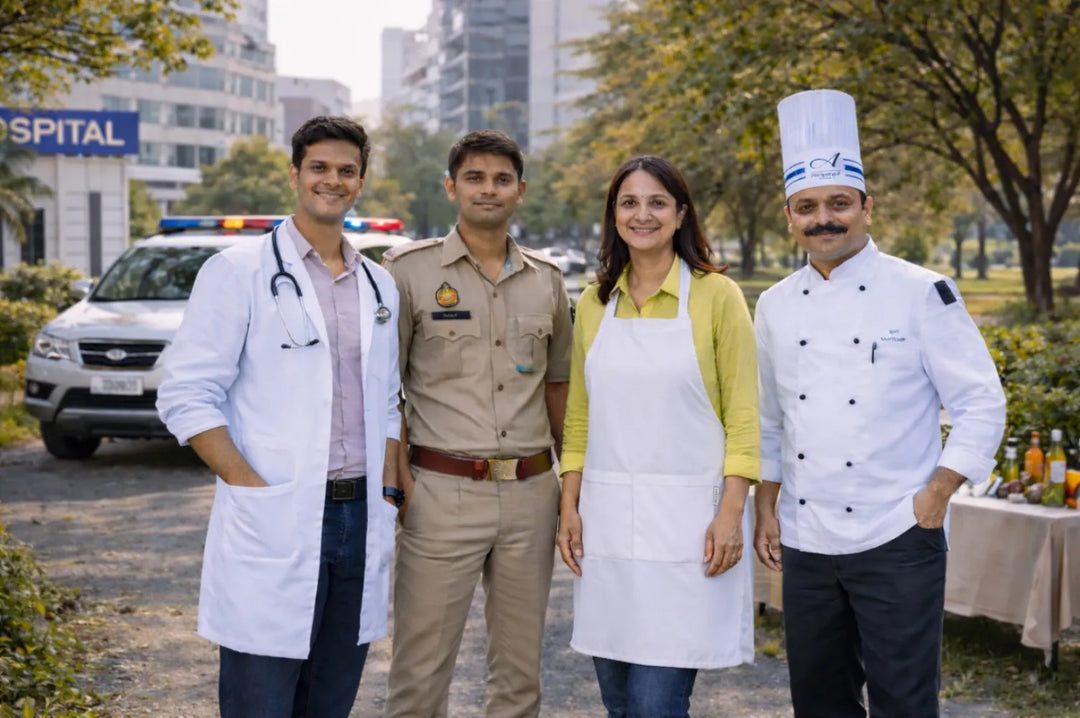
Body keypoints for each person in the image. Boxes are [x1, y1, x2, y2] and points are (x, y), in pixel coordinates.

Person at [753, 89, 1007, 717]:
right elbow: (770, 419)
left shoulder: (923, 293)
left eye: (839, 204)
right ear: (790, 218)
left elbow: (981, 402)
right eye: (807, 208)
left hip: (898, 531)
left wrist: (936, 496)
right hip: (808, 538)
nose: (824, 219)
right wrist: (766, 510)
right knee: (820, 702)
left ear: (867, 207)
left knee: (904, 703)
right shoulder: (775, 305)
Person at [156, 116, 402, 718]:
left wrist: (392, 489)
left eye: (347, 170)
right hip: (278, 510)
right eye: (319, 167)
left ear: (361, 181)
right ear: (295, 174)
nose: (332, 180)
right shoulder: (237, 272)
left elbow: (391, 398)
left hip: (360, 513)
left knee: (331, 697)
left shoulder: (379, 286)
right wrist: (246, 485)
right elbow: (185, 394)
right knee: (260, 699)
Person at [556, 155, 761, 718]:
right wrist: (568, 505)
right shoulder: (596, 303)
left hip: (688, 530)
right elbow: (580, 417)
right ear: (613, 215)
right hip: (608, 527)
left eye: (656, 202)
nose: (641, 214)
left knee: (655, 706)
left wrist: (731, 514)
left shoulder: (719, 298)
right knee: (619, 704)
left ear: (680, 215)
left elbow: (744, 419)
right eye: (629, 202)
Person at [382, 129, 573, 718]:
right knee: (420, 673)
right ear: (451, 186)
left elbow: (558, 386)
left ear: (520, 191)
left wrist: (570, 487)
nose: (488, 189)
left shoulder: (547, 278)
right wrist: (399, 482)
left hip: (531, 494)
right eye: (474, 177)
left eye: (501, 179)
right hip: (441, 492)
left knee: (519, 677)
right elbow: (383, 389)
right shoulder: (406, 271)